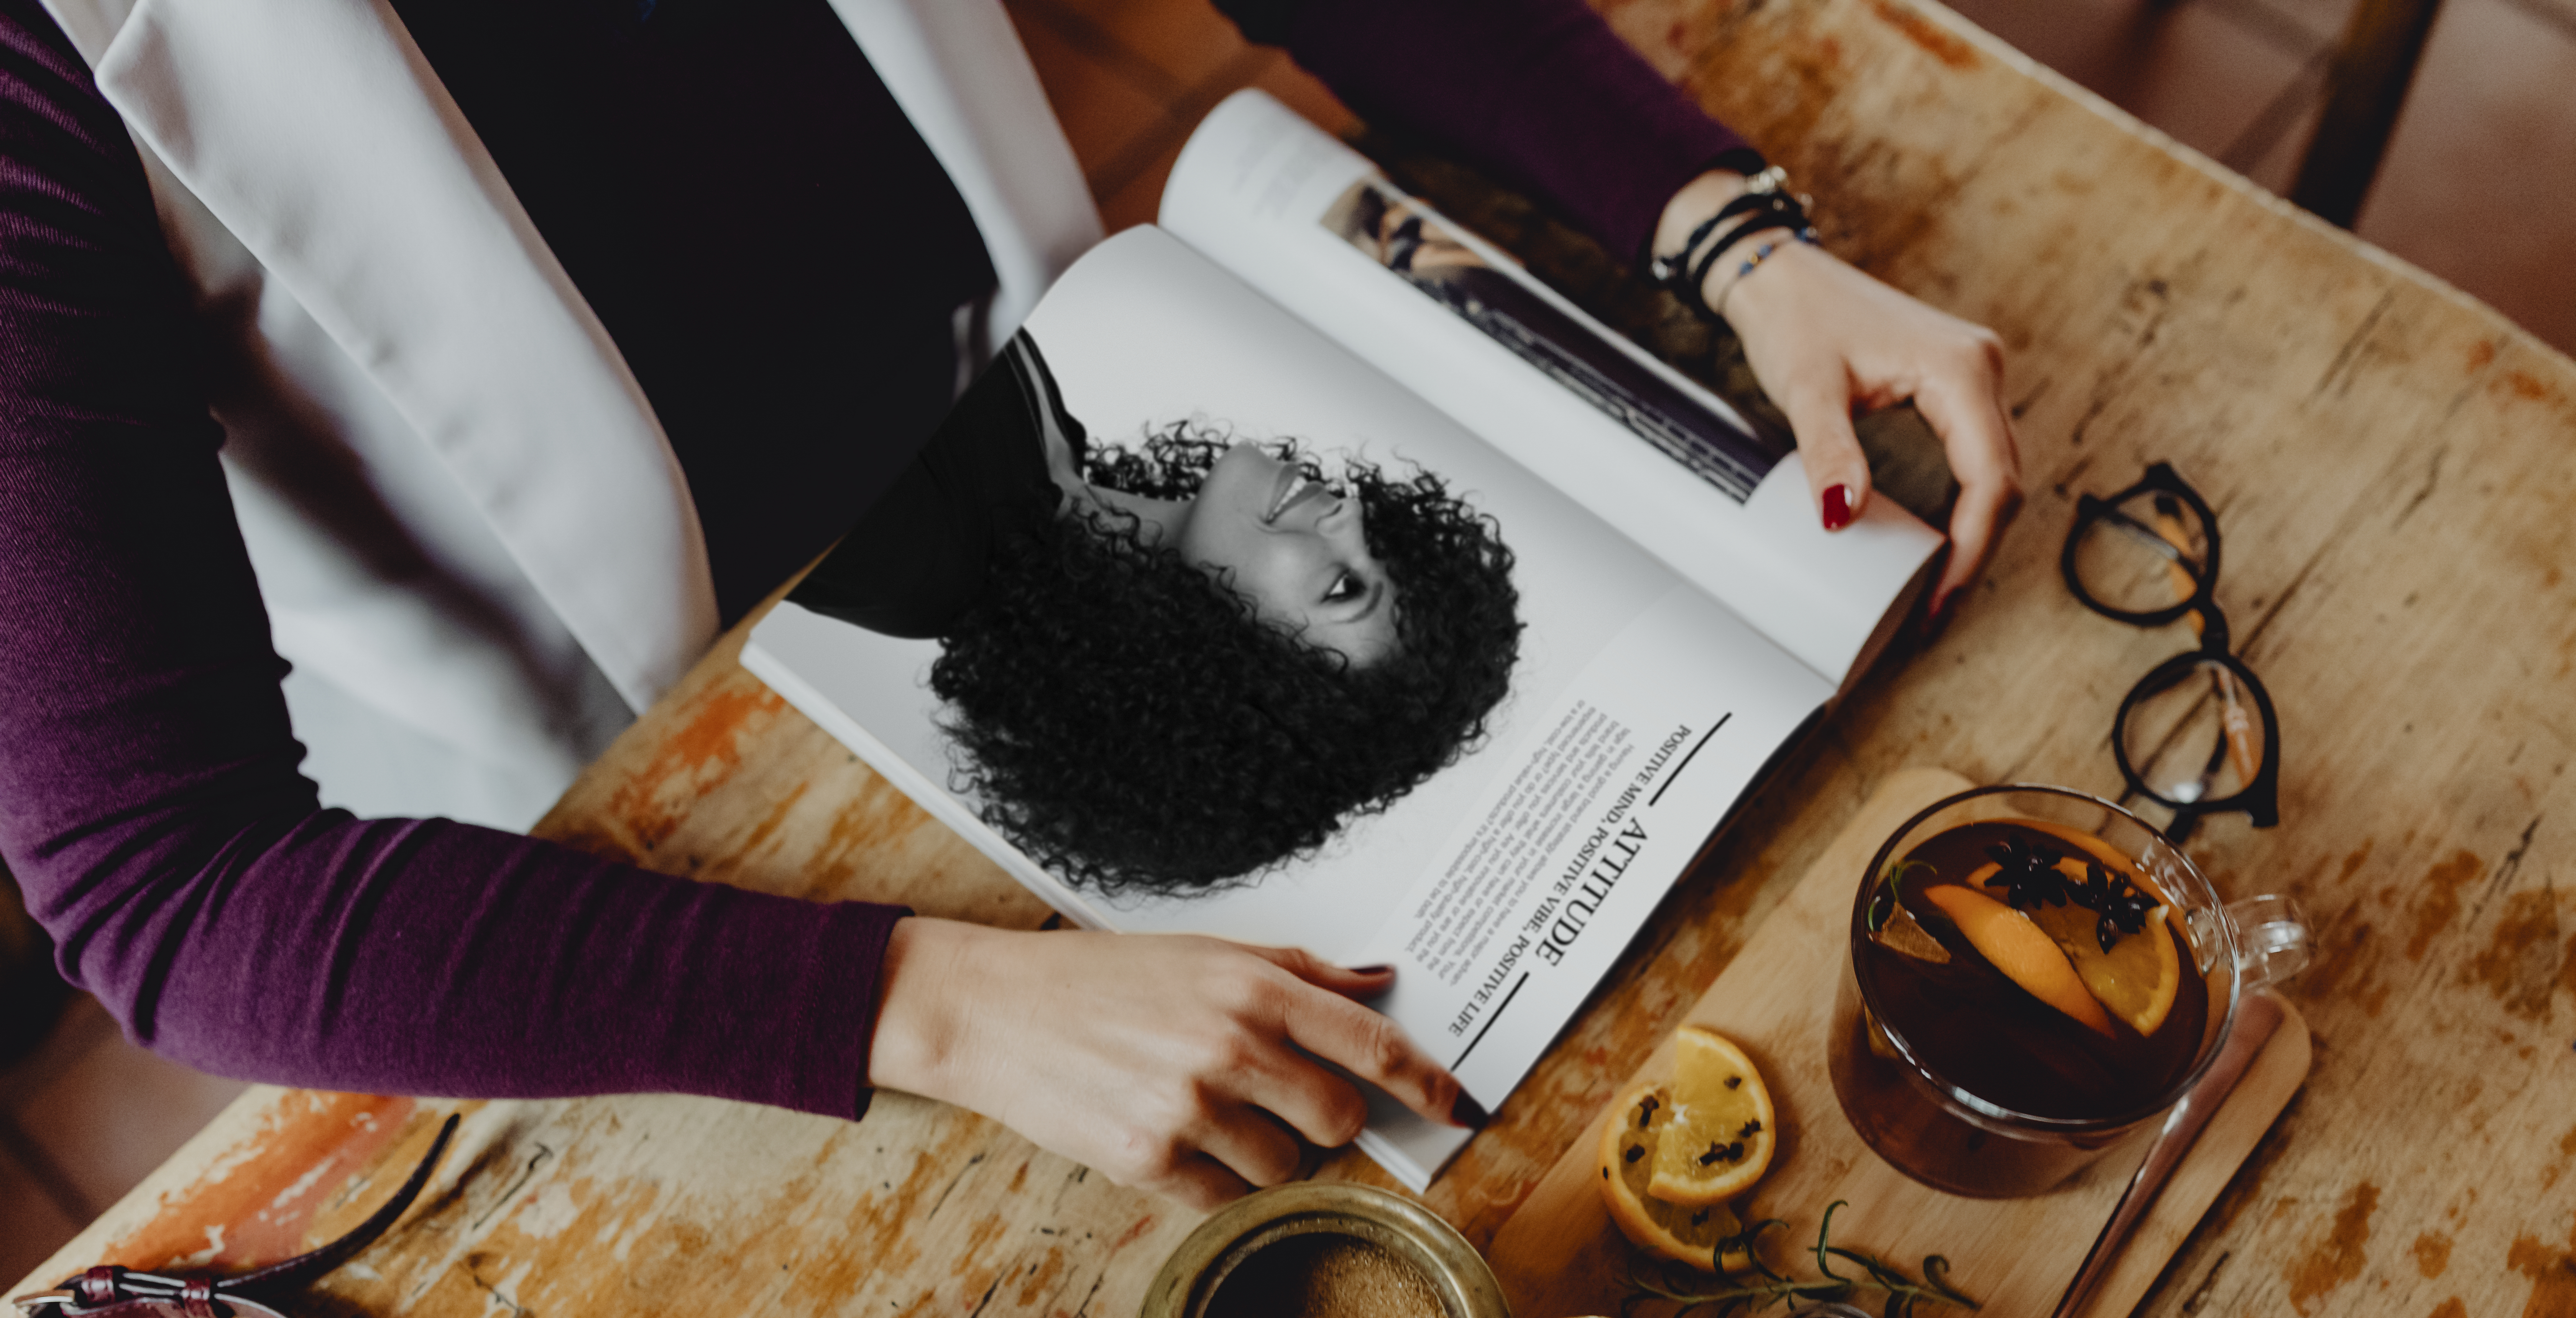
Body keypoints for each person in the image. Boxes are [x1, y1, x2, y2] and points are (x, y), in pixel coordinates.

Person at [0, 0, 2019, 1212]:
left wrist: (1729, 234)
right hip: (613, 827)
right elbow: (166, 890)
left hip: (1036, 426)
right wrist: (930, 1003)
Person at [792, 332, 1523, 896]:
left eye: (1341, 588)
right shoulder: (1049, 458)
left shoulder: (907, 550)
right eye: (1380, 549)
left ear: (1227, 681)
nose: (1349, 515)